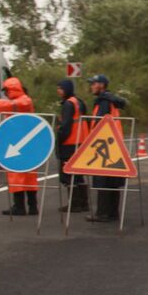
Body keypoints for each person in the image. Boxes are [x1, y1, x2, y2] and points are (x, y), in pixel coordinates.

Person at [0, 77, 39, 216]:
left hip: (21, 143)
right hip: (24, 142)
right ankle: (30, 206)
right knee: (26, 175)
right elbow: (15, 121)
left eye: (6, 91)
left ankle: (21, 207)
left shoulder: (24, 100)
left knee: (18, 174)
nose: (5, 94)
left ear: (11, 89)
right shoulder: (22, 101)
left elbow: (7, 106)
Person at [86, 74, 128, 222]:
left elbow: (99, 124)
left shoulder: (103, 102)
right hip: (114, 144)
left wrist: (90, 144)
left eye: (94, 84)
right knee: (113, 179)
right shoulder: (111, 100)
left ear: (101, 85)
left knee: (102, 179)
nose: (91, 86)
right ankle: (113, 213)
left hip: (104, 145)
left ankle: (102, 213)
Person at [55, 79, 89, 213]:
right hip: (81, 141)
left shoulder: (69, 104)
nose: (58, 90)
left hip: (69, 143)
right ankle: (83, 203)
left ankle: (74, 204)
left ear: (67, 89)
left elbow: (66, 125)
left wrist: (59, 139)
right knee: (79, 174)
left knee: (68, 174)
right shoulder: (78, 101)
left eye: (61, 88)